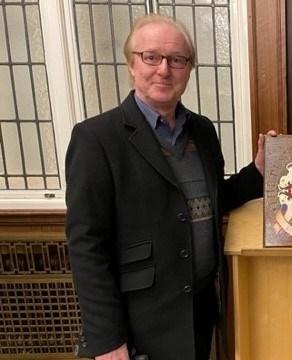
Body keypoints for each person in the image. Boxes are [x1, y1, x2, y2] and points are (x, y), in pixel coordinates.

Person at [65, 13, 274, 360]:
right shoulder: (95, 139)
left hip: (200, 308)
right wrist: (107, 340)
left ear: (188, 69)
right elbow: (87, 246)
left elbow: (211, 201)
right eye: (151, 57)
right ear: (132, 64)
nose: (164, 69)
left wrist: (259, 171)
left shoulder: (203, 131)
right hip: (140, 322)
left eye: (177, 59)